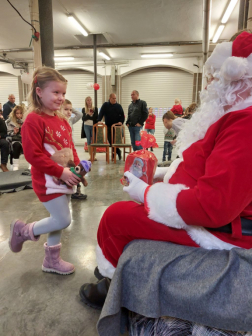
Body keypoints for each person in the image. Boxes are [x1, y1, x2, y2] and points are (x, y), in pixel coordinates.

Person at [79, 31, 252, 308]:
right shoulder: (234, 115)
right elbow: (206, 165)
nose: (208, 86)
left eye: (215, 77)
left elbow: (214, 206)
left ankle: (113, 285)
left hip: (219, 230)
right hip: (213, 216)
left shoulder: (245, 123)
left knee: (115, 216)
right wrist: (162, 174)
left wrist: (147, 194)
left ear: (237, 78)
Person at [9, 66, 81, 275]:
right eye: (56, 92)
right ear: (39, 92)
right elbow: (33, 155)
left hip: (64, 179)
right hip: (48, 182)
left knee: (57, 220)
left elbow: (70, 147)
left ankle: (52, 260)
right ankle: (24, 231)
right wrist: (61, 173)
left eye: (63, 93)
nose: (61, 98)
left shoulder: (62, 120)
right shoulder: (33, 120)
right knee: (63, 219)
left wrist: (76, 168)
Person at [62, 99, 87, 200]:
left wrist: (70, 109)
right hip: (63, 152)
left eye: (71, 110)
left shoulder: (70, 121)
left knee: (75, 168)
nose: (69, 112)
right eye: (66, 109)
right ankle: (73, 189)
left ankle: (76, 189)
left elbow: (80, 114)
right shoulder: (58, 123)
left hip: (71, 147)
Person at [98, 93, 125, 160]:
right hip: (108, 126)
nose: (114, 100)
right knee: (110, 141)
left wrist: (121, 122)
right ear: (110, 98)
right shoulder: (105, 105)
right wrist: (98, 120)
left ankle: (114, 153)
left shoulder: (118, 106)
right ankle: (117, 151)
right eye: (113, 98)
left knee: (115, 141)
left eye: (115, 98)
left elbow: (122, 116)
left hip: (117, 127)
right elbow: (101, 113)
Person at [6, 105, 24, 171]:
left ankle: (31, 165)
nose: (19, 115)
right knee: (17, 145)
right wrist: (14, 132)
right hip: (14, 139)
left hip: (24, 139)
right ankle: (15, 165)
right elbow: (8, 133)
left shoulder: (26, 121)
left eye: (20, 113)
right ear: (14, 114)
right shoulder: (10, 122)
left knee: (30, 144)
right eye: (17, 113)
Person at [81, 96, 98, 161]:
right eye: (87, 100)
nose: (89, 101)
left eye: (90, 100)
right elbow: (83, 119)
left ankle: (94, 156)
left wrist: (88, 116)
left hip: (93, 126)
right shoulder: (83, 109)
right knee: (88, 140)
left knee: (94, 141)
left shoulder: (95, 109)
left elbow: (96, 118)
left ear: (91, 101)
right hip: (86, 126)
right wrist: (88, 115)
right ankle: (91, 156)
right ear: (86, 101)